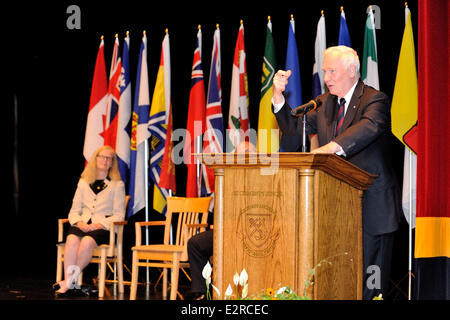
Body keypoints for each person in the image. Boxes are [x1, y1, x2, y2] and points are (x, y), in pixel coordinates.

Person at [272, 45, 402, 299]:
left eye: (332, 71)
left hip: (373, 208)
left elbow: (369, 127)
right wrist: (278, 97)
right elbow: (292, 132)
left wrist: (329, 149)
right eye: (324, 71)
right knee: (339, 278)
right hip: (336, 209)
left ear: (352, 71)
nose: (327, 78)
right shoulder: (321, 103)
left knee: (370, 284)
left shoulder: (375, 99)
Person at [186, 141, 256, 300]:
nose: (242, 159)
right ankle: (204, 292)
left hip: (251, 232)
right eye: (239, 156)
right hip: (227, 230)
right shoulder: (227, 177)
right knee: (195, 244)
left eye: (247, 155)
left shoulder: (263, 176)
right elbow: (218, 208)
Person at [54, 145, 125, 296]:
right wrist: (79, 223)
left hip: (104, 227)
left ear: (112, 163)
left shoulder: (117, 185)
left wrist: (97, 225)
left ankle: (67, 282)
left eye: (109, 158)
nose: (105, 161)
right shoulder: (84, 182)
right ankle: (69, 281)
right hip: (82, 222)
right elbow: (74, 211)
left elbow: (119, 215)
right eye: (102, 157)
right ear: (95, 159)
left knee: (86, 242)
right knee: (72, 239)